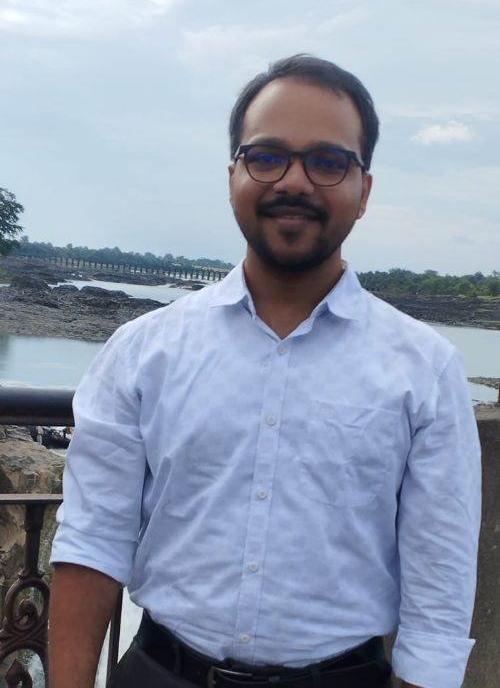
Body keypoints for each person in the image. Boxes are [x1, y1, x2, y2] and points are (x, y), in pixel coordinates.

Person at [49, 54, 481, 688]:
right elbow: (93, 540)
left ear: (364, 191)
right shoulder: (142, 352)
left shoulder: (426, 370)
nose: (295, 182)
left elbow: (438, 595)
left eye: (328, 162)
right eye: (267, 156)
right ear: (233, 177)